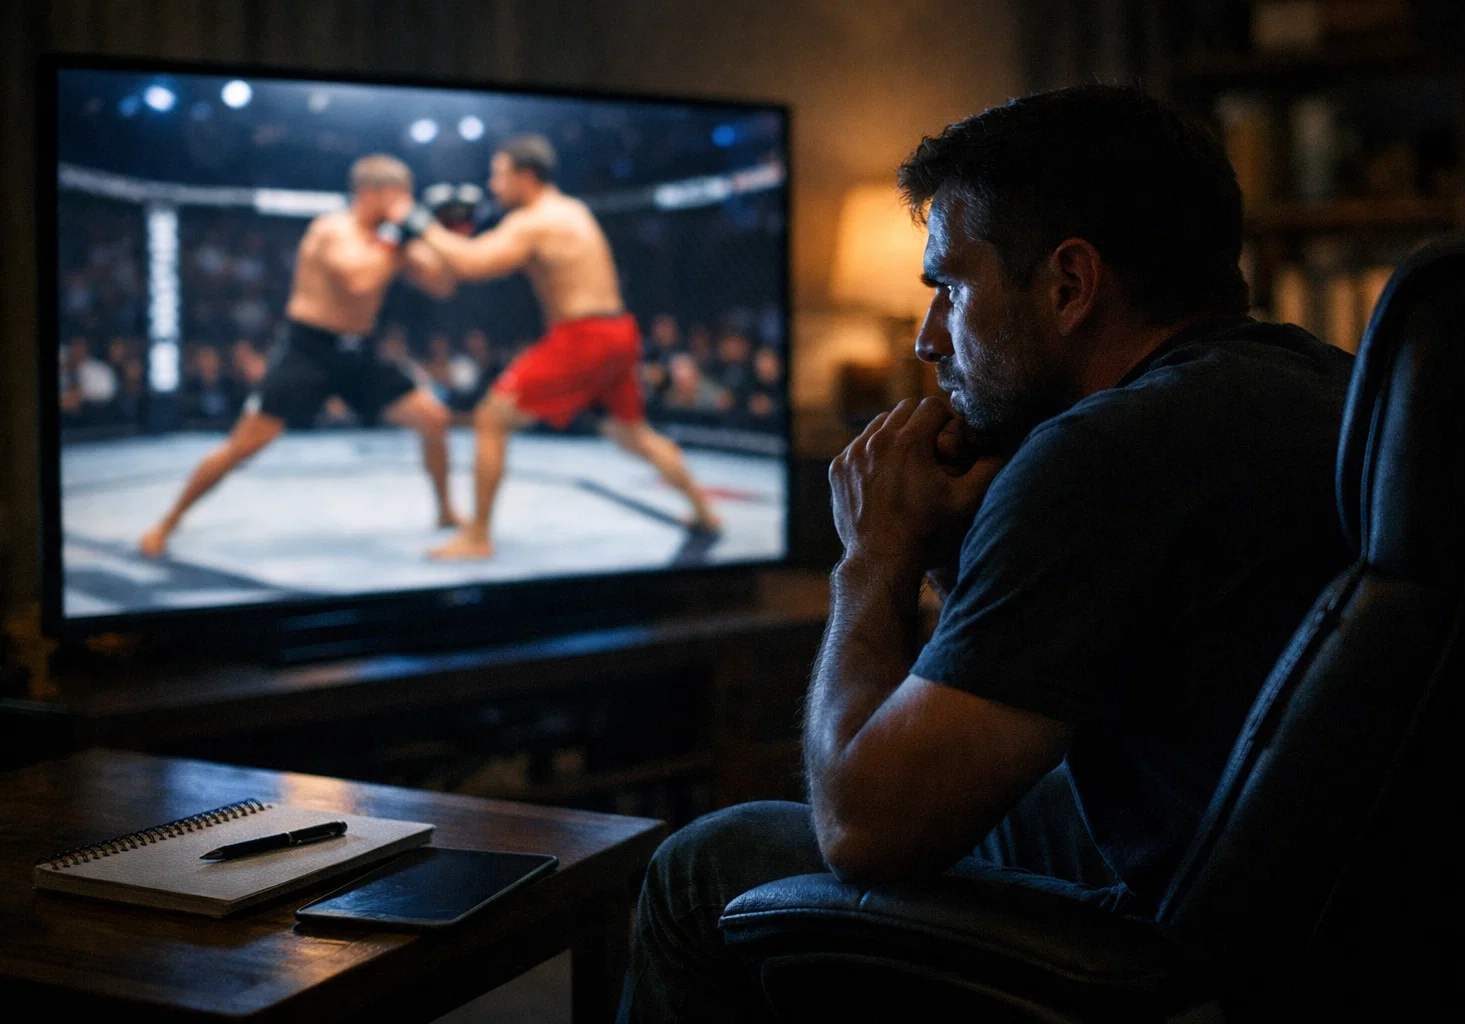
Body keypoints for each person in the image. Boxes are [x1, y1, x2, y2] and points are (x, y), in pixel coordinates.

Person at [618, 85, 1357, 1021]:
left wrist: (874, 555)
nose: (931, 339)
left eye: (951, 288)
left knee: (704, 865)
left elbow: (863, 828)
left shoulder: (1104, 454)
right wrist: (949, 554)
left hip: (1190, 957)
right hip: (1316, 898)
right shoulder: (1326, 383)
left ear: (1069, 284)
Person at [389, 135, 721, 560]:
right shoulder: (570, 209)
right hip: (617, 330)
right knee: (631, 432)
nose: (492, 184)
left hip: (584, 335)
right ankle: (704, 512)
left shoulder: (535, 220)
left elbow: (473, 263)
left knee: (491, 418)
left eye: (499, 174)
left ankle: (477, 537)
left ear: (526, 176)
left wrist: (418, 222)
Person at [139, 154, 460, 559]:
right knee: (244, 445)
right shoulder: (333, 229)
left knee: (434, 418)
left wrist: (430, 234)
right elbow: (358, 281)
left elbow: (442, 285)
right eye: (399, 196)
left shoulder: (391, 238)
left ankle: (445, 511)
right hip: (308, 350)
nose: (405, 205)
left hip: (358, 351)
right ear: (368, 193)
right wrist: (398, 236)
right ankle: (168, 521)